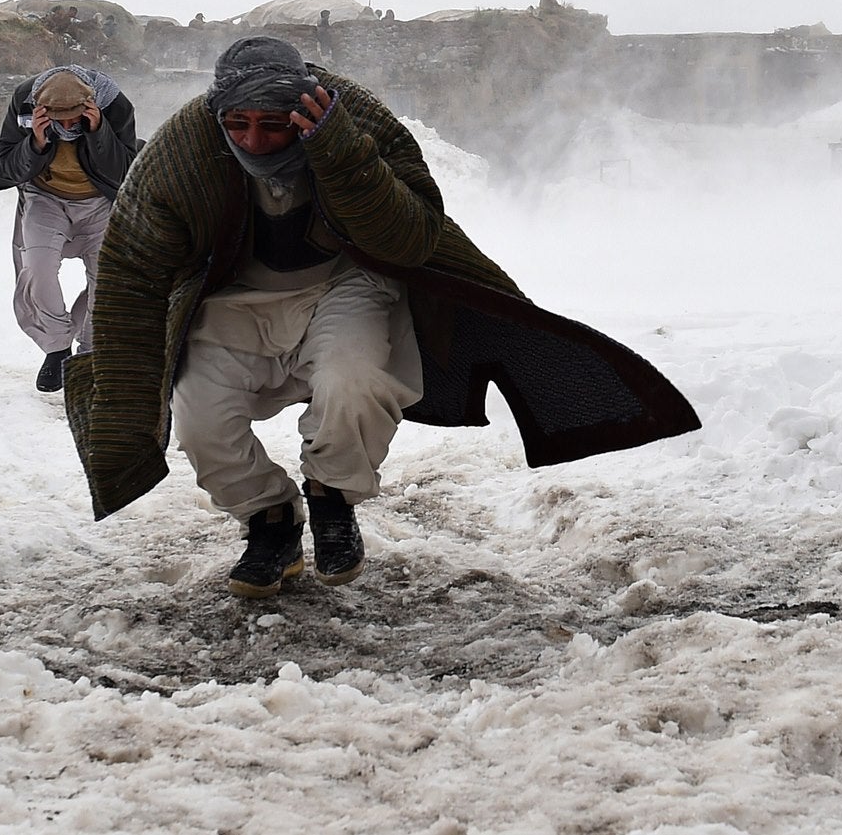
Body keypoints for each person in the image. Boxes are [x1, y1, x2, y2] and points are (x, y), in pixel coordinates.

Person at [65, 37, 699, 599]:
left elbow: (412, 237)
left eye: (272, 126)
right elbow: (132, 271)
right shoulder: (181, 153)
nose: (254, 141)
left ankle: (333, 498)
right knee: (199, 415)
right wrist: (121, 391)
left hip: (346, 284)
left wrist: (337, 151)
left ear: (301, 111)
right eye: (239, 124)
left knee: (354, 382)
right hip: (233, 301)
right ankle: (269, 520)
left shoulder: (354, 117)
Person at [0, 65, 139, 392]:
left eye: (73, 120)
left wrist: (98, 131)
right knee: (36, 268)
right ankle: (57, 347)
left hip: (99, 201)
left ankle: (91, 352)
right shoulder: (25, 99)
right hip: (45, 196)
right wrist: (35, 142)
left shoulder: (114, 105)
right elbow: (9, 163)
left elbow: (122, 170)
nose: (67, 127)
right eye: (59, 121)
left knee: (109, 279)